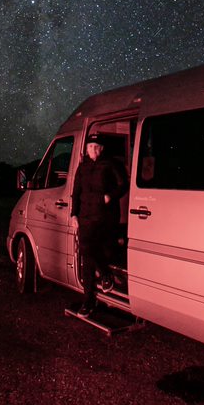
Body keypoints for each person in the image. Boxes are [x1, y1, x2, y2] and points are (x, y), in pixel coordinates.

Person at [71, 133, 128, 317]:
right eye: (90, 147)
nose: (93, 150)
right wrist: (73, 214)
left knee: (88, 250)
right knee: (86, 256)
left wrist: (110, 196)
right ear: (86, 149)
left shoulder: (110, 164)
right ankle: (91, 297)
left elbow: (123, 184)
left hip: (104, 217)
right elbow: (76, 191)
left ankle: (94, 293)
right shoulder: (82, 167)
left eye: (96, 147)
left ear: (101, 149)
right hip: (85, 216)